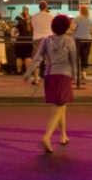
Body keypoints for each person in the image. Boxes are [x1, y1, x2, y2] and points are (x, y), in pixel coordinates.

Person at [24, 14, 78, 153]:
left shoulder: (46, 40)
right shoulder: (69, 41)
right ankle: (47, 136)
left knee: (62, 105)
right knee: (58, 108)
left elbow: (37, 58)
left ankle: (63, 135)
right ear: (66, 27)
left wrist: (28, 72)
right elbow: (73, 60)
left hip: (49, 75)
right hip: (63, 75)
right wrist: (75, 75)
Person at [28, 1, 53, 85]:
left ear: (39, 7)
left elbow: (32, 27)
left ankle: (36, 79)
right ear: (46, 7)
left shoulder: (34, 17)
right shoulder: (51, 16)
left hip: (37, 39)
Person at [71, 5, 92, 77]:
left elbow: (72, 28)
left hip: (77, 40)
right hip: (88, 40)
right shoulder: (90, 19)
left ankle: (75, 73)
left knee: (75, 56)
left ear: (80, 10)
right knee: (85, 56)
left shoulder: (76, 19)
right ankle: (84, 74)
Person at [13, 6, 33, 74]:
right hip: (29, 41)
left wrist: (14, 37)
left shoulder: (20, 22)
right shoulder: (32, 22)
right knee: (28, 56)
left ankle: (19, 71)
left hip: (20, 41)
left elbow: (14, 31)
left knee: (19, 57)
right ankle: (28, 71)